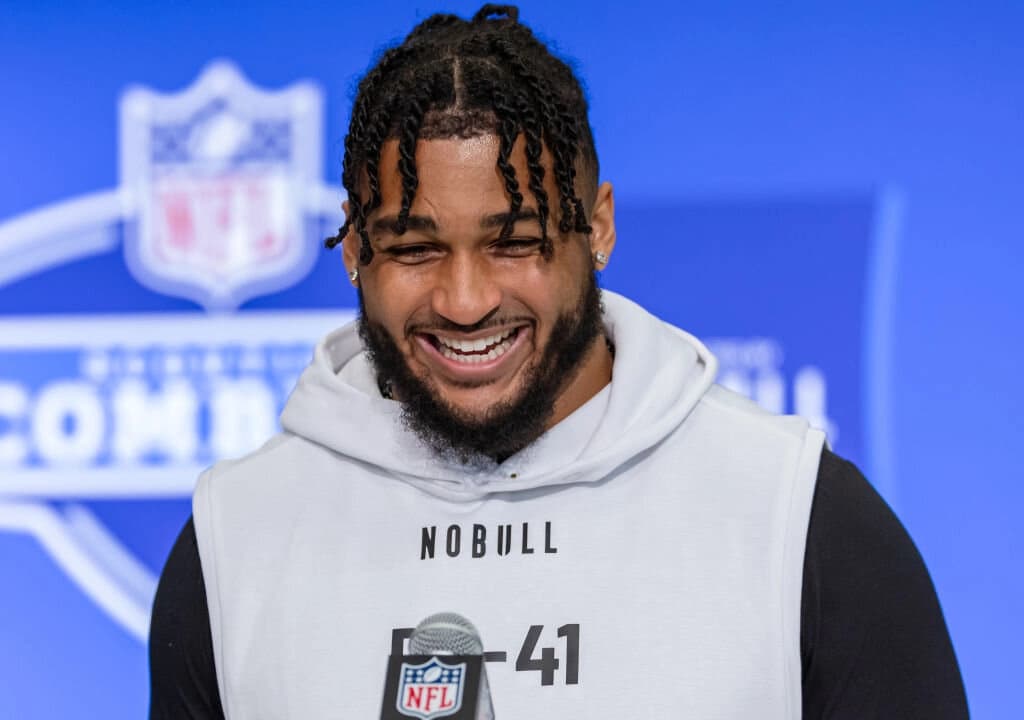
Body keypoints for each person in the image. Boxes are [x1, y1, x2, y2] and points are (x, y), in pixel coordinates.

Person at [149, 5, 969, 718]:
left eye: (515, 242)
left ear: (599, 228)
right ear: (355, 247)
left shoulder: (799, 521)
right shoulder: (238, 539)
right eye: (415, 247)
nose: (465, 300)